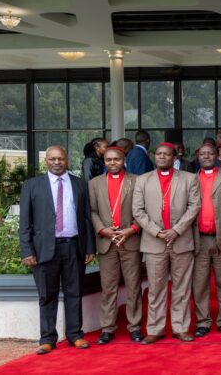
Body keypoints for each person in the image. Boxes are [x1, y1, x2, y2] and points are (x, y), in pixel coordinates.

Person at [19, 146, 96, 354]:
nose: (57, 162)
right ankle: (47, 338)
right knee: (47, 295)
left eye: (60, 158)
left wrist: (90, 247)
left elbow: (87, 218)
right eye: (52, 159)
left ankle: (75, 335)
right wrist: (27, 250)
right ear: (46, 161)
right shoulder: (32, 185)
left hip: (74, 246)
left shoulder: (80, 185)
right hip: (44, 249)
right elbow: (24, 221)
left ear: (67, 160)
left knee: (74, 292)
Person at [132, 142, 201, 344]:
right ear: (154, 156)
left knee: (182, 287)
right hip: (154, 242)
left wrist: (176, 230)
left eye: (166, 154)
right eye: (159, 154)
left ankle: (180, 328)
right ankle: (155, 329)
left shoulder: (189, 178)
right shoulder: (143, 180)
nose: (162, 157)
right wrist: (157, 232)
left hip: (181, 240)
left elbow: (194, 206)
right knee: (155, 288)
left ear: (174, 157)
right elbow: (138, 211)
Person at [88, 146, 143, 344]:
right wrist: (103, 230)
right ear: (104, 161)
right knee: (108, 287)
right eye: (109, 159)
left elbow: (143, 210)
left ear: (124, 159)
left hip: (131, 240)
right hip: (106, 241)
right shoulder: (94, 183)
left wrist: (133, 229)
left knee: (133, 287)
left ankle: (135, 327)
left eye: (116, 159)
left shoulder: (137, 180)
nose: (112, 162)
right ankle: (107, 328)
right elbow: (92, 211)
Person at [191, 144, 221, 337]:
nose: (207, 156)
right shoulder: (190, 180)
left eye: (210, 153)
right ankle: (203, 322)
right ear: (197, 156)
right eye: (203, 153)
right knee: (199, 284)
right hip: (198, 240)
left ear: (216, 156)